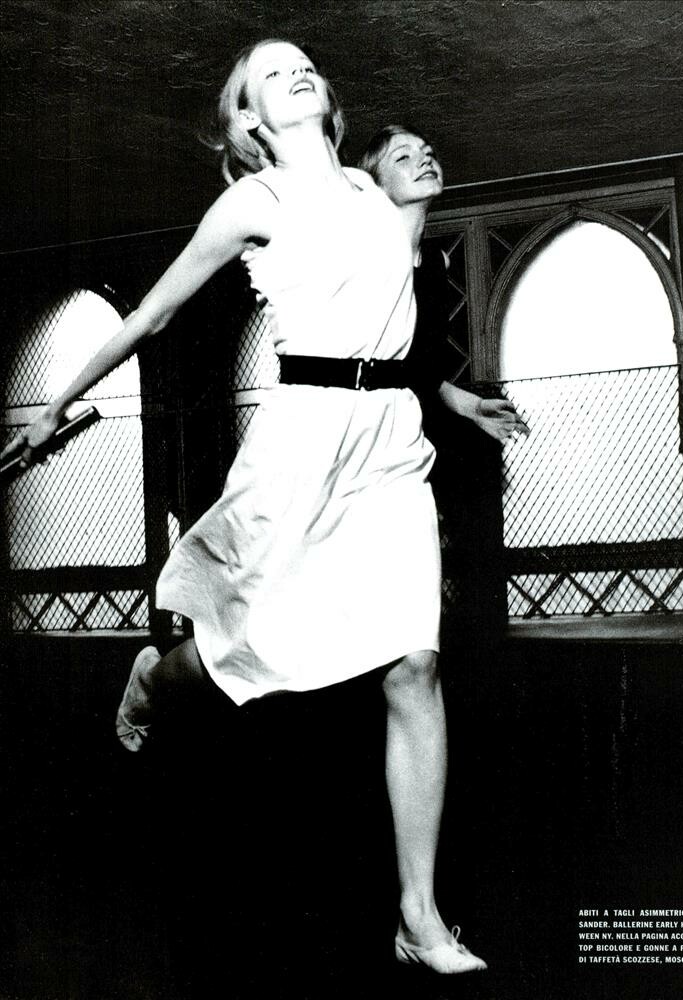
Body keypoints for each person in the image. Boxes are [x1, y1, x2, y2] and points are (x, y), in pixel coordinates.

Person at [2, 41, 488, 975]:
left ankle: (418, 918)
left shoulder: (370, 192)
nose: (294, 71)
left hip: (389, 440)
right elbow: (151, 315)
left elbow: (389, 316)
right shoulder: (252, 203)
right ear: (248, 119)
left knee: (413, 665)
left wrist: (449, 395)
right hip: (301, 436)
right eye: (270, 72)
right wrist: (57, 400)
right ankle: (156, 679)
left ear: (327, 98)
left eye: (303, 63)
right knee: (246, 658)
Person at [358, 124, 528, 444]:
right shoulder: (359, 261)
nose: (425, 160)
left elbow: (417, 373)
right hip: (363, 433)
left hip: (412, 433)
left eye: (428, 153)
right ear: (375, 186)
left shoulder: (438, 263)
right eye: (403, 157)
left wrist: (473, 407)